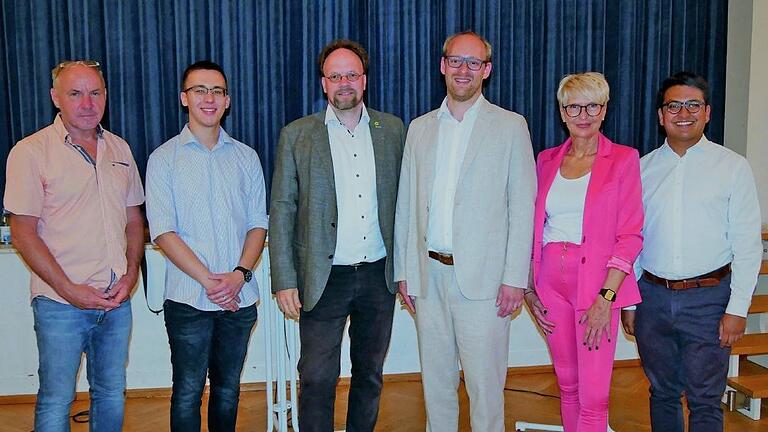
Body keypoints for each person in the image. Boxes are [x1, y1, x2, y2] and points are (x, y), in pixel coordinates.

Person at [393, 31, 536, 431]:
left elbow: (522, 208)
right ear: (442, 65)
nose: (463, 70)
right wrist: (405, 271)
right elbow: (407, 204)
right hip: (428, 277)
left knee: (485, 388)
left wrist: (515, 279)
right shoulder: (420, 129)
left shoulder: (510, 126)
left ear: (486, 71)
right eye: (456, 60)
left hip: (487, 283)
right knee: (435, 385)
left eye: (474, 63)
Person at [269, 40, 405, 432]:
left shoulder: (392, 130)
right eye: (335, 76)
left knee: (370, 373)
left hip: (378, 275)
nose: (344, 82)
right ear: (323, 84)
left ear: (363, 80)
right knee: (316, 378)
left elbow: (408, 204)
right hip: (322, 277)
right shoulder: (297, 135)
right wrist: (285, 280)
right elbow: (282, 209)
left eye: (351, 74)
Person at [3, 60, 145, 431]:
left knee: (112, 392)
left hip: (116, 302)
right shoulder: (30, 152)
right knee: (56, 398)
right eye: (75, 93)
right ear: (56, 98)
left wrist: (130, 276)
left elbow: (133, 221)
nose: (87, 102)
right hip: (59, 305)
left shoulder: (120, 149)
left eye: (95, 92)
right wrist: (69, 290)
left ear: (105, 96)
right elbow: (23, 232)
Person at [621, 71, 762, 431]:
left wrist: (737, 309)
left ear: (708, 112)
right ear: (661, 114)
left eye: (692, 105)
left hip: (710, 299)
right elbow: (632, 239)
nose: (683, 112)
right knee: (662, 392)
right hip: (652, 297)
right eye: (674, 105)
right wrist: (632, 302)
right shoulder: (642, 169)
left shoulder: (732, 167)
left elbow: (747, 245)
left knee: (705, 399)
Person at [145, 60, 268, 432]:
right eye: (200, 90)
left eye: (217, 91)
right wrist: (211, 282)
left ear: (228, 100)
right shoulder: (163, 159)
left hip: (239, 299)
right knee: (187, 390)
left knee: (228, 390)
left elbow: (257, 224)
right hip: (187, 301)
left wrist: (238, 276)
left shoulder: (247, 157)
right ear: (185, 98)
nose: (209, 98)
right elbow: (164, 232)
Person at [524, 72, 643, 431]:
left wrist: (606, 298)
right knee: (568, 385)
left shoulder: (623, 159)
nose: (583, 114)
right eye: (573, 106)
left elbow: (631, 235)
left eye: (592, 105)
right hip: (549, 284)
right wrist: (528, 287)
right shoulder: (545, 161)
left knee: (594, 396)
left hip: (596, 285)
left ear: (604, 110)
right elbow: (533, 229)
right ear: (562, 112)